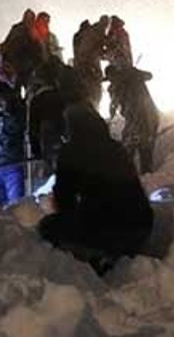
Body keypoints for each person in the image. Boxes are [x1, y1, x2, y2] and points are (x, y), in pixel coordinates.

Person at [39, 104, 154, 274]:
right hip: (141, 223)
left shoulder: (72, 152)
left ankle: (94, 257)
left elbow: (65, 197)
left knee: (48, 226)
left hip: (107, 229)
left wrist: (65, 217)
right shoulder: (115, 147)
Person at [104, 65, 161, 174]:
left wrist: (133, 72)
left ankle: (144, 175)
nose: (112, 80)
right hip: (136, 120)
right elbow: (113, 107)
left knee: (143, 152)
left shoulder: (133, 77)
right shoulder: (115, 88)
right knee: (130, 151)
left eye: (113, 77)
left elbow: (149, 76)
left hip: (146, 118)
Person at [73, 16, 109, 109]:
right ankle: (93, 109)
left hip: (83, 67)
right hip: (89, 67)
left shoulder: (84, 35)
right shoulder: (96, 32)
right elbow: (97, 51)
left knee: (89, 91)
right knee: (94, 92)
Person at [1, 9, 43, 88]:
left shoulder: (34, 32)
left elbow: (38, 49)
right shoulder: (17, 29)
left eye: (31, 19)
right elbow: (8, 43)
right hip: (16, 65)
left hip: (27, 66)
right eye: (28, 18)